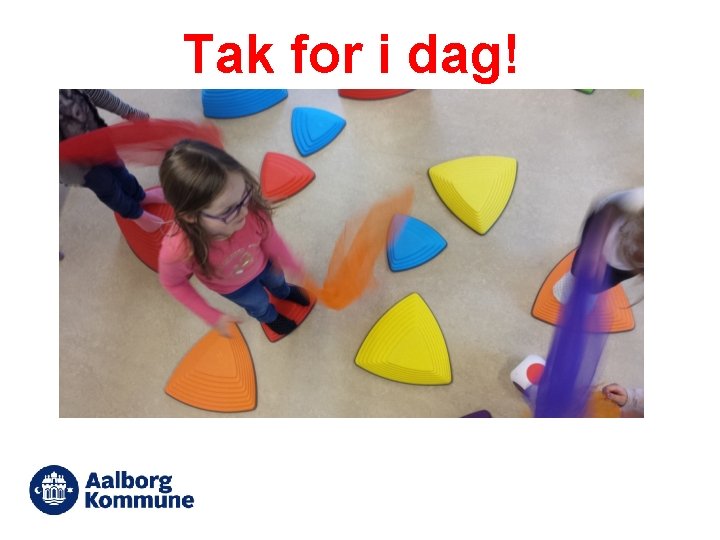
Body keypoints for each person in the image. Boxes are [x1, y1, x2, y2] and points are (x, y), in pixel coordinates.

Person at [158, 140, 310, 337]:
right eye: (228, 210)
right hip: (235, 288)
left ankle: (284, 292)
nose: (245, 211)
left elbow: (270, 237)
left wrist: (288, 261)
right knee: (258, 303)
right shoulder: (179, 250)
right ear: (190, 216)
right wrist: (211, 316)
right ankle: (270, 317)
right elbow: (173, 283)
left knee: (278, 280)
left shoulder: (250, 209)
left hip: (265, 264)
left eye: (245, 193)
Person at [59, 89, 165, 232]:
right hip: (78, 166)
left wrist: (129, 112)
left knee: (120, 170)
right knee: (109, 189)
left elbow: (93, 92)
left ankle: (139, 196)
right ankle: (136, 214)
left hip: (99, 140)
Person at [554, 187, 644, 303]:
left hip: (628, 267)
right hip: (601, 238)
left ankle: (593, 291)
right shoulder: (638, 200)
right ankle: (570, 286)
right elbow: (608, 206)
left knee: (602, 283)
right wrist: (593, 251)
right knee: (581, 270)